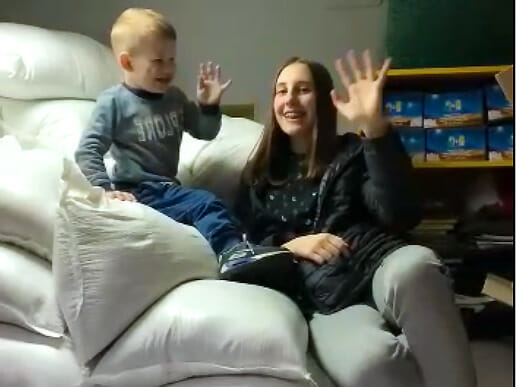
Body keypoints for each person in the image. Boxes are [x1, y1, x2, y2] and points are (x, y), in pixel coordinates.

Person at [233, 51, 477, 387]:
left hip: (377, 261)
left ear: (322, 98)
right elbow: (241, 245)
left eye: (302, 89)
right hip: (328, 297)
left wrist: (375, 131)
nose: (290, 99)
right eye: (281, 90)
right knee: (372, 367)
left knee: (418, 269)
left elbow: (400, 213)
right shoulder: (258, 176)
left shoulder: (353, 152)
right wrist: (290, 244)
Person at [75, 8, 293, 274]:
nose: (168, 68)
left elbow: (205, 131)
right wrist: (104, 189)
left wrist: (209, 106)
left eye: (172, 59)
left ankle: (246, 248)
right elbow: (88, 150)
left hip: (168, 188)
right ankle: (232, 253)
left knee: (220, 206)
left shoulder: (175, 98)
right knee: (206, 203)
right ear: (127, 62)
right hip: (138, 189)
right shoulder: (114, 102)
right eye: (158, 61)